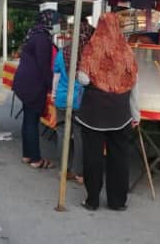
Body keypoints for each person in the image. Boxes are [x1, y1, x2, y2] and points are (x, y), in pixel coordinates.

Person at [75, 12, 139, 211]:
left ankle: (92, 200)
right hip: (120, 111)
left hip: (95, 110)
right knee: (119, 157)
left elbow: (83, 79)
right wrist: (136, 114)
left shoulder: (92, 48)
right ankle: (117, 201)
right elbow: (134, 83)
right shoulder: (126, 51)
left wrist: (92, 75)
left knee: (93, 156)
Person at [12, 10, 56, 169]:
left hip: (24, 81)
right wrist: (52, 86)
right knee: (32, 121)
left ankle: (27, 155)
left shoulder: (33, 33)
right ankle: (36, 159)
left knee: (28, 120)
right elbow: (44, 66)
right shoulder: (43, 38)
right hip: (33, 83)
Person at [55, 19, 94, 179]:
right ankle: (78, 172)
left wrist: (55, 95)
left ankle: (63, 169)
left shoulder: (62, 52)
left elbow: (56, 77)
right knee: (79, 136)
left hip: (62, 99)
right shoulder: (90, 56)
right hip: (81, 101)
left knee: (62, 133)